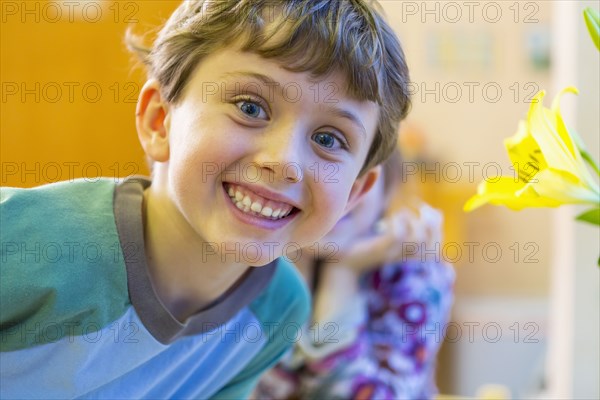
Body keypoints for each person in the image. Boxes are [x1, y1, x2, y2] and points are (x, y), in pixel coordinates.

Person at [0, 0, 411, 399]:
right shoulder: (21, 240)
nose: (284, 162)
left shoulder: (277, 311)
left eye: (328, 139)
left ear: (354, 193)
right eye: (250, 107)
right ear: (159, 121)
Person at [254, 151, 455, 400]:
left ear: (386, 190)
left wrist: (343, 274)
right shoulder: (254, 259)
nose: (337, 193)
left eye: (357, 174)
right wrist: (295, 265)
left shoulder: (413, 267)